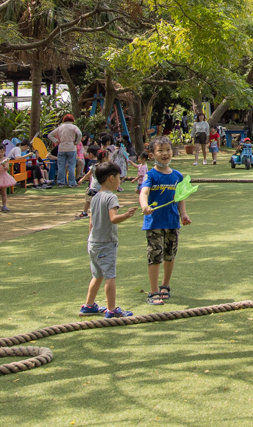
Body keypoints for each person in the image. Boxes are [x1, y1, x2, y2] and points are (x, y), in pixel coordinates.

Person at [80, 163, 138, 318]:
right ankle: (112, 310)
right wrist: (126, 215)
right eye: (119, 177)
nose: (120, 180)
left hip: (93, 242)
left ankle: (89, 305)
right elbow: (113, 219)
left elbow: (91, 222)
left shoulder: (95, 196)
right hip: (106, 243)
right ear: (111, 178)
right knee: (109, 276)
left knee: (97, 275)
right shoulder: (111, 197)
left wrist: (91, 238)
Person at [138, 139, 191, 304]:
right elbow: (144, 192)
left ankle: (165, 286)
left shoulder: (177, 175)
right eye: (160, 150)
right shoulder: (151, 175)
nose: (165, 153)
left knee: (170, 254)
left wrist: (183, 214)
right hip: (154, 223)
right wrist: (144, 206)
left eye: (168, 149)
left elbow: (180, 197)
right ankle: (153, 292)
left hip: (172, 223)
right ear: (152, 154)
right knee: (154, 256)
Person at [49, 113, 83, 186]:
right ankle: (72, 183)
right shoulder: (73, 127)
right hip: (71, 147)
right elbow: (79, 134)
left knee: (61, 166)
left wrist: (56, 141)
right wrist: (77, 142)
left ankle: (61, 182)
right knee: (71, 166)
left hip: (61, 148)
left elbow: (50, 135)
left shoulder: (60, 127)